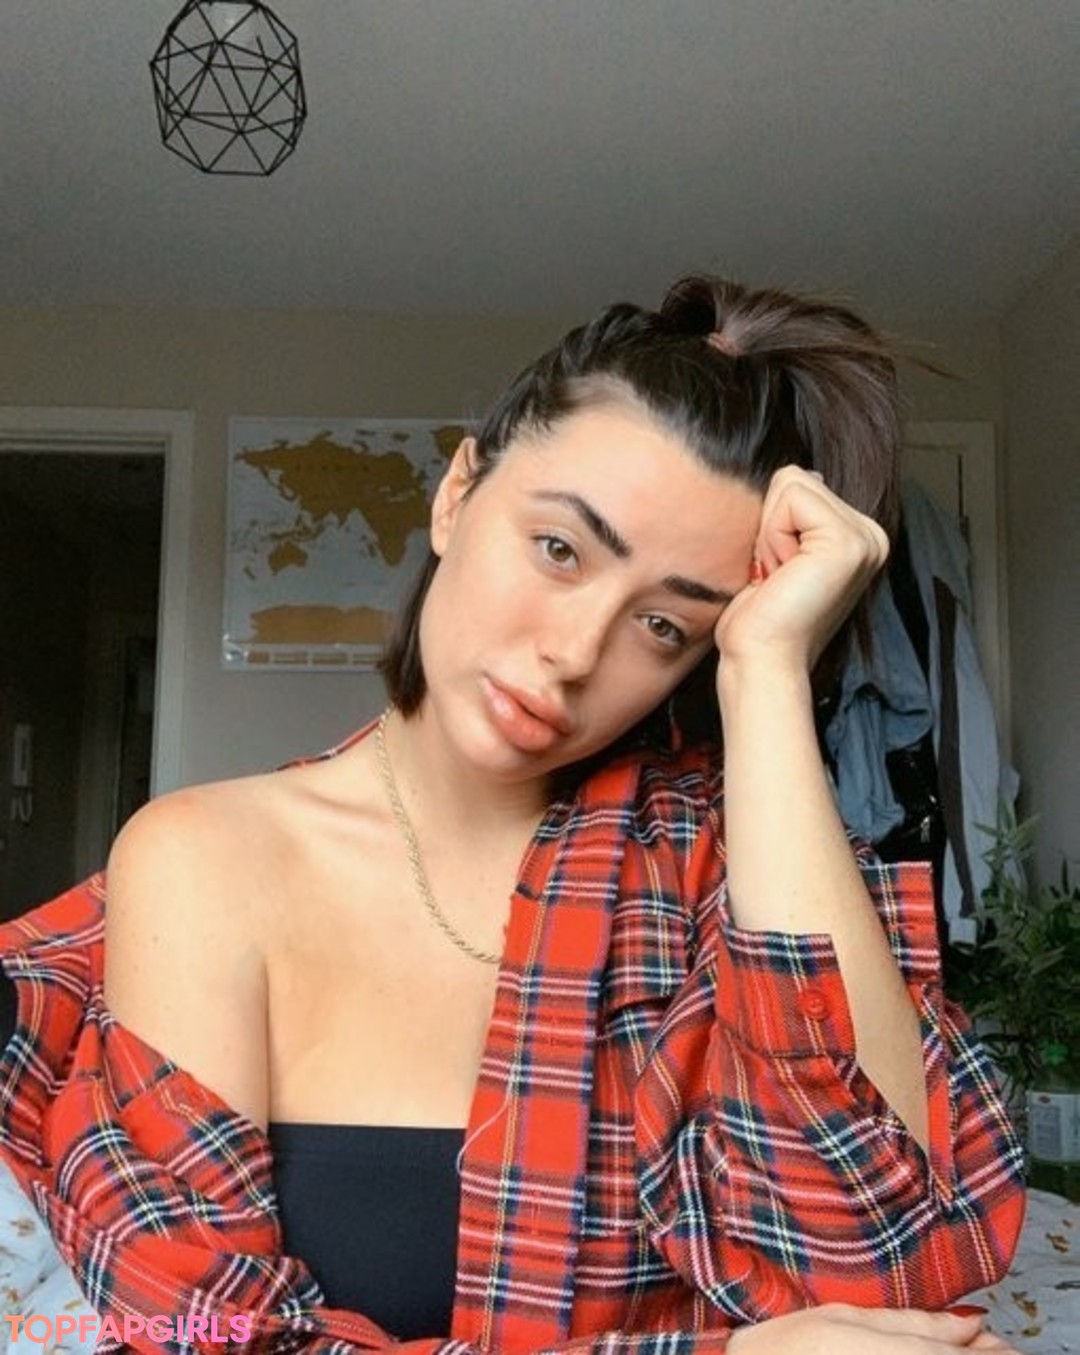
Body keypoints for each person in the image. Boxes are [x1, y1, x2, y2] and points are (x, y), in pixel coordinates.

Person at [0, 275, 1026, 1354]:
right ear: (457, 493)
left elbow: (894, 1269)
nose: (575, 653)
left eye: (667, 627)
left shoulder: (721, 873)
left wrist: (766, 670)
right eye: (560, 549)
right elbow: (203, 1334)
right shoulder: (207, 860)